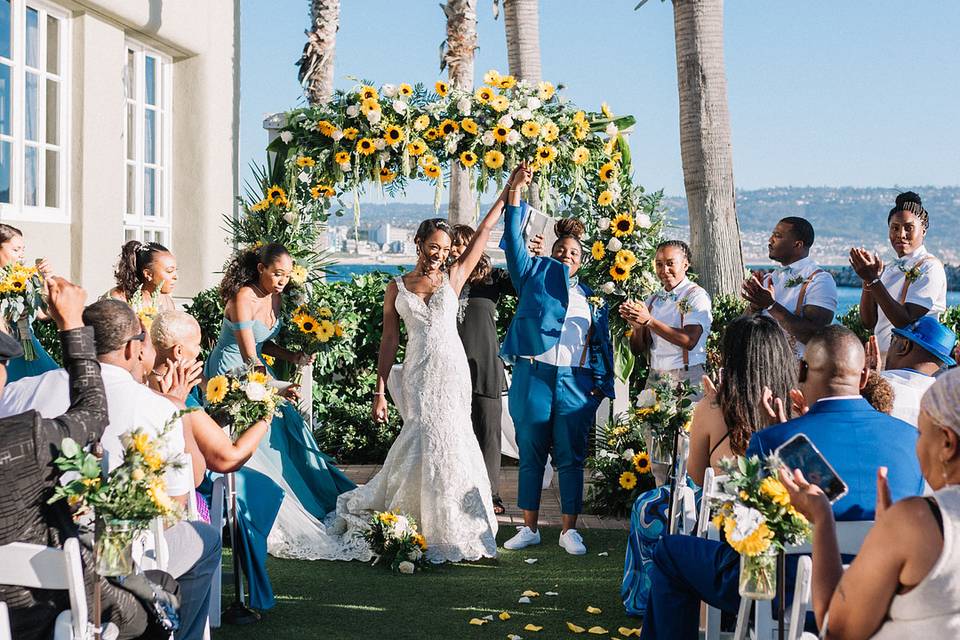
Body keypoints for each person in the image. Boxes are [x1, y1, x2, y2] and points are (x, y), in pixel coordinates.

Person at [638, 326, 924, 640]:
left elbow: (744, 531)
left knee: (669, 552)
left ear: (801, 369)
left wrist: (776, 440)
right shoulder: (913, 439)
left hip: (786, 595)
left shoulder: (772, 440)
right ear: (865, 377)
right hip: (879, 597)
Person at [342, 169, 531, 565]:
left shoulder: (455, 277)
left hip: (451, 372)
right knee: (422, 434)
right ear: (418, 243)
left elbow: (483, 231)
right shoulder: (396, 287)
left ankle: (456, 522)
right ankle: (414, 517)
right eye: (433, 246)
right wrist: (379, 391)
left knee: (453, 437)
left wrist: (508, 190)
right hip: (418, 374)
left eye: (444, 249)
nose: (439, 254)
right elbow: (389, 342)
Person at [0, 299, 220, 640]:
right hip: (114, 562)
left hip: (18, 566)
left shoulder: (17, 392)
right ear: (134, 347)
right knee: (206, 538)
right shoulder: (156, 408)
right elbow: (177, 503)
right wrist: (179, 411)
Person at [204, 242, 355, 600]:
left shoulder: (275, 298)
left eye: (287, 274)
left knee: (286, 433)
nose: (283, 281)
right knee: (255, 442)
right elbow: (247, 352)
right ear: (260, 268)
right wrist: (278, 384)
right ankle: (249, 512)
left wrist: (293, 355)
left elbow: (265, 345)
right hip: (230, 377)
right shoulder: (243, 296)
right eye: (277, 273)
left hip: (258, 374)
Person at [621, 315, 797, 616]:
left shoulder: (715, 405)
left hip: (727, 526)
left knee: (647, 505)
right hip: (791, 527)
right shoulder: (799, 404)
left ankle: (645, 600)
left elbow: (696, 474)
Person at [781, 368, 960, 638]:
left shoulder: (919, 522)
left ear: (947, 443)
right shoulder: (914, 522)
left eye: (922, 434)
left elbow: (837, 630)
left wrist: (822, 517)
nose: (917, 446)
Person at [499, 190, 616, 557]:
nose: (567, 256)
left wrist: (598, 387)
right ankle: (529, 527)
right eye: (561, 250)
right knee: (531, 453)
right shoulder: (533, 275)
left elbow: (603, 344)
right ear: (551, 253)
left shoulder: (592, 297)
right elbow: (513, 245)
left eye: (574, 254)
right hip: (533, 377)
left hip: (575, 383)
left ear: (582, 262)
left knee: (571, 457)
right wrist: (515, 197)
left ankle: (569, 530)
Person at [450, 223, 517, 515]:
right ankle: (457, 491)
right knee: (454, 432)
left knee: (489, 434)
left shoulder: (492, 279)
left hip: (486, 364)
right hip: (451, 366)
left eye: (462, 244)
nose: (455, 250)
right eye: (452, 245)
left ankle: (491, 495)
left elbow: (524, 286)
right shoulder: (441, 280)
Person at [150, 310, 271, 472]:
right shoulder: (179, 397)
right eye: (197, 345)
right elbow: (228, 459)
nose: (199, 351)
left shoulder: (147, 379)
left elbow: (198, 431)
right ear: (178, 351)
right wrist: (265, 419)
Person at [851, 191, 947, 361]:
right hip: (883, 360)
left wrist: (874, 281)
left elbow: (905, 321)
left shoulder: (930, 267)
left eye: (908, 228)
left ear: (923, 230)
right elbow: (868, 322)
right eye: (895, 228)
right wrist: (867, 279)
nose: (900, 235)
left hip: (912, 363)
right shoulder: (888, 269)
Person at [621, 240, 712, 396]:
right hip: (655, 377)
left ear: (685, 264)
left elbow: (689, 340)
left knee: (690, 421)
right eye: (659, 264)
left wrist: (649, 321)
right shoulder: (652, 300)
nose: (664, 270)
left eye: (670, 263)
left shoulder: (695, 295)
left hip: (687, 377)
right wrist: (637, 328)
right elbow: (638, 349)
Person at [741, 217, 837, 357]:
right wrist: (754, 307)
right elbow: (743, 331)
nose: (770, 240)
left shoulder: (819, 280)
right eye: (772, 234)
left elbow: (815, 336)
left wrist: (771, 305)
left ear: (797, 245)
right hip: (762, 369)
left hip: (798, 372)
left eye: (777, 236)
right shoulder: (769, 279)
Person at [0, 223, 59, 381]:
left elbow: (43, 315)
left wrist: (47, 278)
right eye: (15, 250)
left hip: (30, 349)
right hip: (6, 354)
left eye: (22, 249)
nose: (21, 255)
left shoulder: (25, 279)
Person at [880, 317, 956, 426]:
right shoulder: (945, 403)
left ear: (904, 346)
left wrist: (871, 376)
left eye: (893, 339)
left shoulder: (875, 387)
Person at [107, 240, 179, 313]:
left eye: (176, 270)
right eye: (169, 271)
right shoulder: (117, 301)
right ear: (148, 274)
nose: (176, 277)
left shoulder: (166, 301)